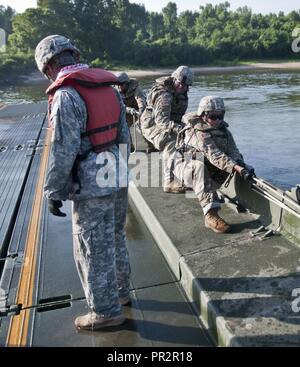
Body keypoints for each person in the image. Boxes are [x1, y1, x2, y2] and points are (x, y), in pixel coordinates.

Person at [35, 35, 131, 330]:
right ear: (73, 54)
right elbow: (125, 137)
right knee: (115, 237)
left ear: (49, 65)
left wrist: (54, 190)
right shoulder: (109, 88)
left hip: (91, 185)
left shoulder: (66, 96)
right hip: (118, 173)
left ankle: (104, 312)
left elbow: (63, 150)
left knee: (91, 247)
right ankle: (121, 292)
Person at [173, 96, 255, 233]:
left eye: (220, 116)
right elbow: (214, 154)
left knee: (245, 166)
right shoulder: (198, 131)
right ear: (203, 115)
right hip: (185, 168)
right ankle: (210, 215)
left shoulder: (224, 131)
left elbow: (233, 150)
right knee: (198, 167)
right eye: (213, 116)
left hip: (209, 169)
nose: (217, 120)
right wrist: (236, 168)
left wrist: (241, 165)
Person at [140, 65, 193, 193]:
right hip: (151, 124)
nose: (182, 87)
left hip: (168, 122)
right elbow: (161, 121)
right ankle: (168, 182)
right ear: (174, 80)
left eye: (185, 85)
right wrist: (178, 128)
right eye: (180, 83)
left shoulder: (181, 93)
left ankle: (186, 173)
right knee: (169, 140)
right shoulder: (164, 95)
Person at [116, 71, 155, 153]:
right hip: (126, 111)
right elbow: (119, 105)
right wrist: (129, 110)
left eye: (121, 85)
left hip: (139, 110)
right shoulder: (115, 91)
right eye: (118, 85)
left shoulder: (136, 88)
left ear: (126, 83)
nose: (119, 87)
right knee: (123, 126)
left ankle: (151, 145)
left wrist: (141, 109)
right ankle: (130, 147)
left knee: (143, 125)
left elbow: (140, 98)